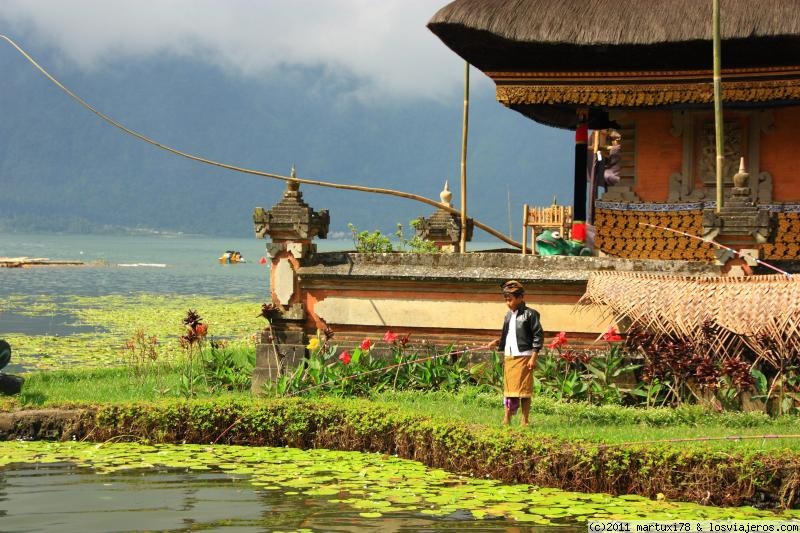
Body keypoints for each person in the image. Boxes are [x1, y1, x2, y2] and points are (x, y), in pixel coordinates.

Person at [486, 280, 544, 426]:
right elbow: (509, 335)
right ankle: (507, 418)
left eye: (510, 299)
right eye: (506, 299)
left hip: (524, 356)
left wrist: (533, 357)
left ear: (520, 298)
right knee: (508, 390)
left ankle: (525, 420)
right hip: (510, 356)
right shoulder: (508, 315)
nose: (508, 302)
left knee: (524, 390)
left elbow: (538, 336)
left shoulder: (530, 315)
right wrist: (498, 342)